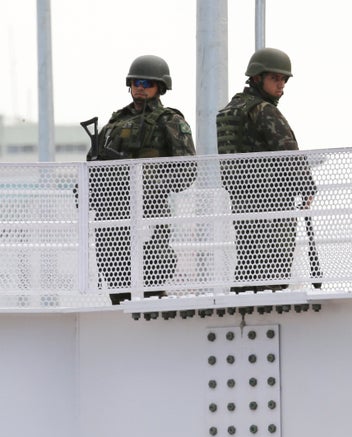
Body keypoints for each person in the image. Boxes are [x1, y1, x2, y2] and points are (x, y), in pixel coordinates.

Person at [87, 55, 196, 305]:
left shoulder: (169, 121)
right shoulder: (115, 122)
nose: (140, 87)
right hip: (113, 211)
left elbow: (187, 168)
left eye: (147, 83)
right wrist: (85, 189)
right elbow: (94, 163)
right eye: (136, 82)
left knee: (152, 272)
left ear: (160, 87)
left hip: (151, 211)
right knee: (115, 272)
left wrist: (148, 185)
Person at [216, 48, 316, 293]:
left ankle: (244, 302)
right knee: (274, 267)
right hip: (272, 201)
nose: (281, 84)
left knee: (249, 262)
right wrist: (307, 187)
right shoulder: (264, 111)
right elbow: (288, 152)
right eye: (275, 78)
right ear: (258, 78)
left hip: (243, 200)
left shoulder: (231, 110)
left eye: (283, 79)